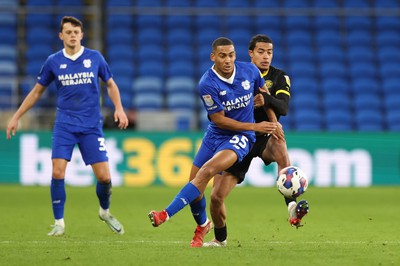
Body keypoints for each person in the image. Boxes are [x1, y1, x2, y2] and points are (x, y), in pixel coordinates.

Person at [148, 37, 283, 247]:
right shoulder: (206, 83)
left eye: (231, 55)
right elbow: (219, 119)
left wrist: (274, 124)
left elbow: (264, 96)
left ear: (235, 55)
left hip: (241, 138)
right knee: (195, 188)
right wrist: (255, 126)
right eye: (222, 56)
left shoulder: (250, 72)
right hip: (215, 135)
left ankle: (164, 214)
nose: (228, 60)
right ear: (213, 57)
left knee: (207, 170)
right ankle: (202, 225)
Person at [6, 16, 128, 236]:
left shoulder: (95, 58)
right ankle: (59, 223)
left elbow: (110, 84)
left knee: (104, 178)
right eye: (68, 32)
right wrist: (16, 115)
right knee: (58, 171)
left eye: (76, 32)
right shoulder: (53, 61)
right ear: (61, 35)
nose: (72, 35)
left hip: (91, 126)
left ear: (82, 35)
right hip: (65, 125)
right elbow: (36, 92)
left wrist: (118, 108)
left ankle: (104, 211)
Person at [202, 34, 309, 247]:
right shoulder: (237, 74)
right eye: (261, 51)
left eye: (269, 52)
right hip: (238, 140)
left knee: (280, 146)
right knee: (216, 197)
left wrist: (266, 100)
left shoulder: (279, 76)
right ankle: (220, 239)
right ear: (250, 53)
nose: (266, 56)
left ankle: (292, 208)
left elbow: (283, 108)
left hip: (265, 136)